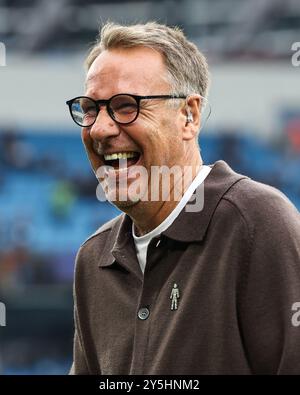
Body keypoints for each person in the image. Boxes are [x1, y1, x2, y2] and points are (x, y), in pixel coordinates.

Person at [67, 22, 300, 375]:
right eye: (89, 109)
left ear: (189, 116)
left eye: (126, 106)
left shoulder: (257, 222)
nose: (99, 128)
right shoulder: (93, 258)